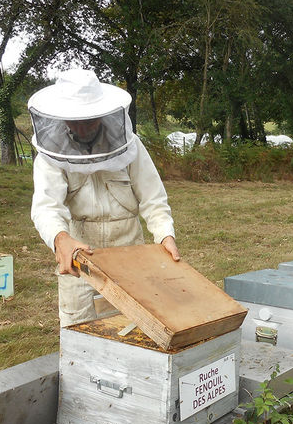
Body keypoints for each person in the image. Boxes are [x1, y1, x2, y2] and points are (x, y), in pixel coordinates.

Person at [28, 68, 180, 327]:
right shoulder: (50, 153)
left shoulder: (130, 145)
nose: (81, 128)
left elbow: (153, 198)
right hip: (80, 258)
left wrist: (165, 235)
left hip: (130, 253)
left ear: (101, 114)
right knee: (80, 332)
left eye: (88, 120)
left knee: (131, 328)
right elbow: (46, 207)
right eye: (74, 120)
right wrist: (60, 239)